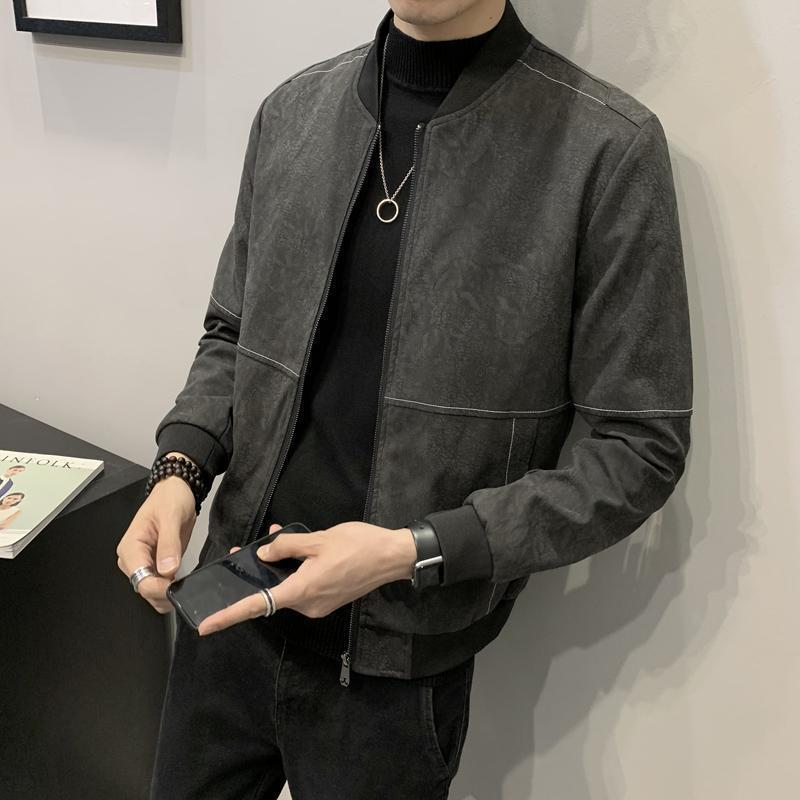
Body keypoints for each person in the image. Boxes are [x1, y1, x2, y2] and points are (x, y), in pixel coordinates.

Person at [116, 1, 694, 797]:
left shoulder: (605, 148)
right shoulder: (294, 111)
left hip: (393, 675)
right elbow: (234, 331)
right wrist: (180, 469)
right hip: (228, 615)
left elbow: (638, 448)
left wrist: (411, 550)